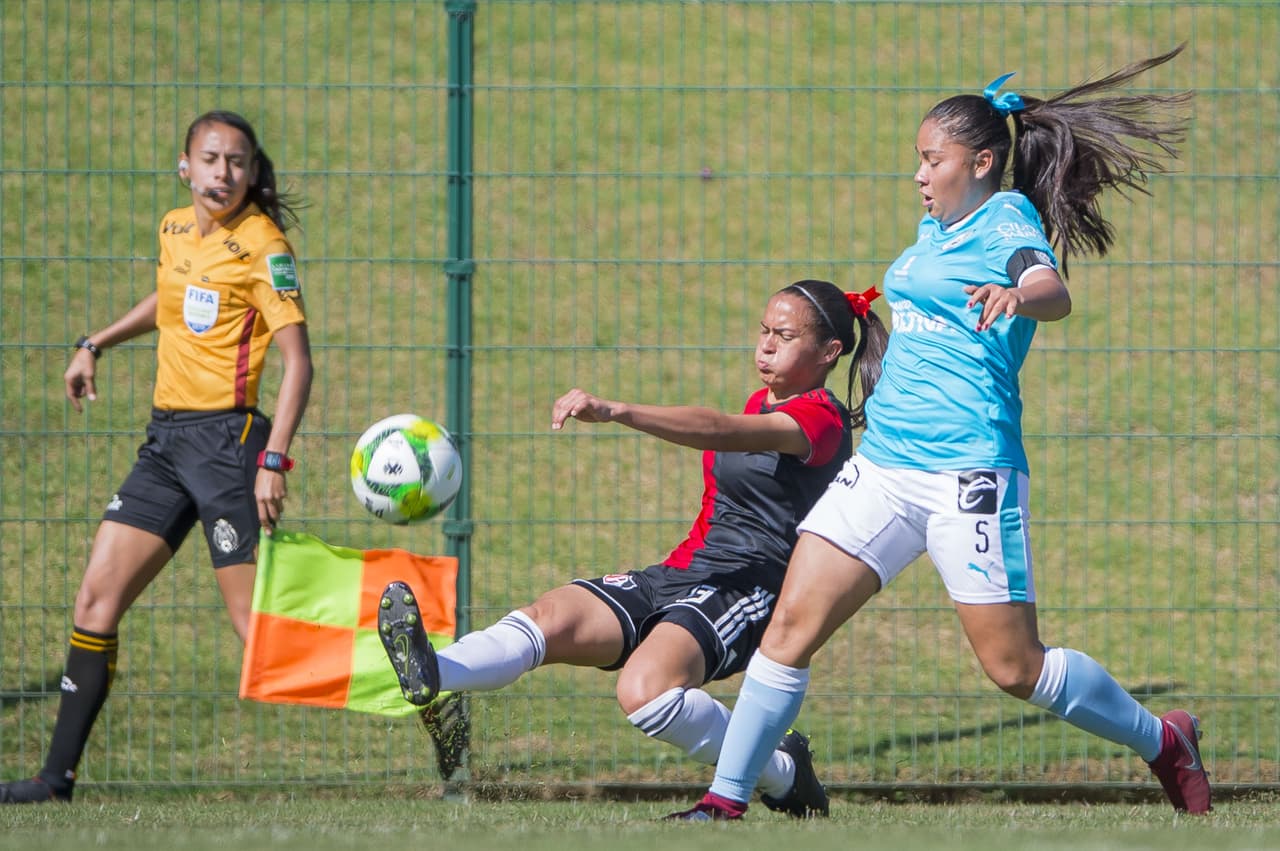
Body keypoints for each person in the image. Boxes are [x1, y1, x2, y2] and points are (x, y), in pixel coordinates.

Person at [670, 46, 1207, 821]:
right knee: (788, 628)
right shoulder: (935, 231)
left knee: (1014, 667)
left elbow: (1049, 288)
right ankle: (723, 802)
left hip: (968, 477)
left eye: (933, 159)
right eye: (918, 161)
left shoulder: (1007, 219)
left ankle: (1163, 738)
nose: (920, 174)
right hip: (885, 469)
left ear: (982, 161)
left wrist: (1020, 295)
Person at [378, 279, 887, 817]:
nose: (764, 346)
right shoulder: (763, 399)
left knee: (643, 691)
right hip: (680, 573)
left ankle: (782, 772)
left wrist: (621, 410)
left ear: (830, 352)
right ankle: (434, 672)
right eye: (763, 330)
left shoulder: (820, 419)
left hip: (747, 590)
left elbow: (720, 430)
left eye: (783, 336)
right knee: (549, 618)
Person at [0, 111, 313, 804]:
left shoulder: (263, 246)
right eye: (210, 159)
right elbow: (172, 301)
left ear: (253, 173)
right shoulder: (174, 228)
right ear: (184, 165)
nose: (222, 173)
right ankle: (56, 781)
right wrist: (96, 340)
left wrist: (274, 459)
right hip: (166, 444)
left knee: (256, 633)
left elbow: (299, 362)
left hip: (229, 446)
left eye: (237, 162)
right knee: (96, 598)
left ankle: (415, 681)